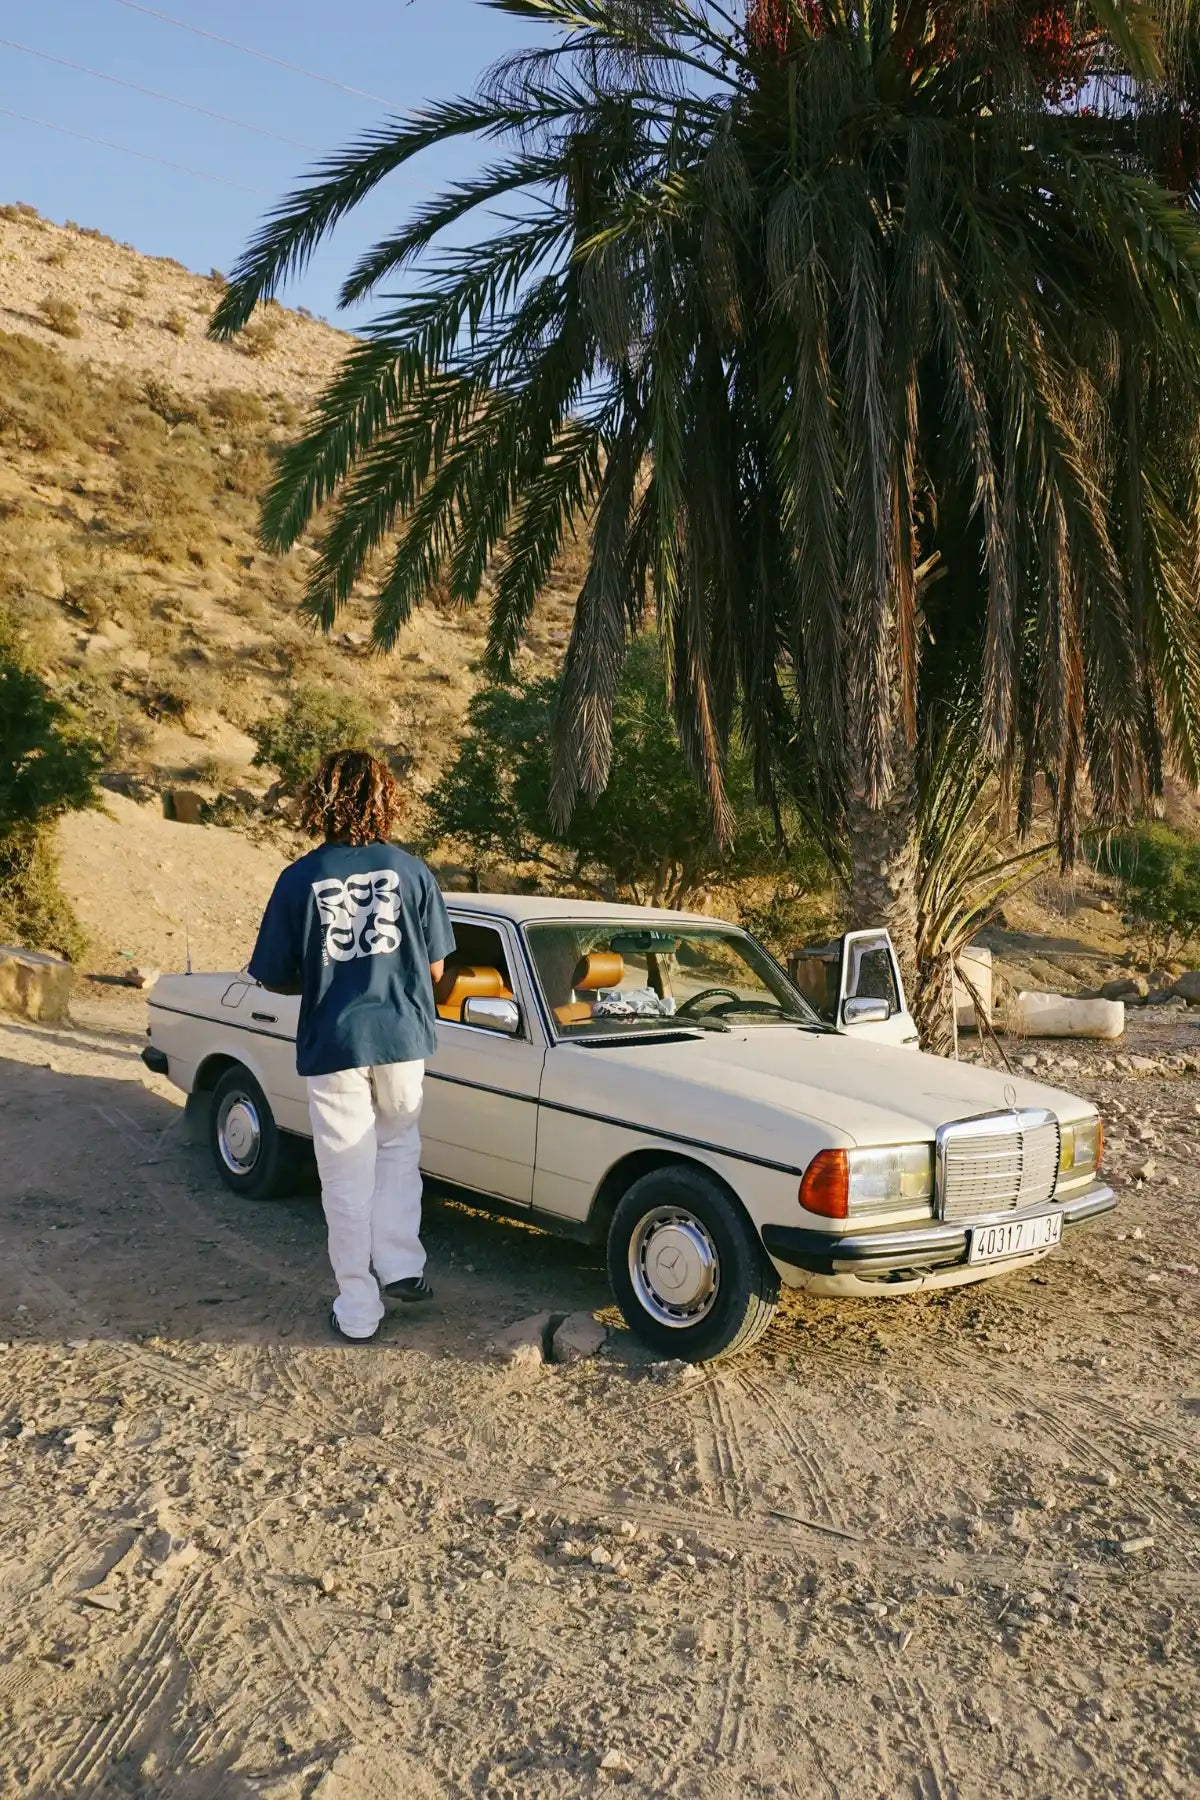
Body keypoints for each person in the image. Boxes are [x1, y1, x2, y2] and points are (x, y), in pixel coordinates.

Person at [248, 748, 455, 1343]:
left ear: (322, 801)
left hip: (334, 1041)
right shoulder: (413, 871)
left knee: (345, 1172)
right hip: (402, 1036)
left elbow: (273, 974)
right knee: (397, 1148)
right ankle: (402, 1265)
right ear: (387, 799)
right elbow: (437, 970)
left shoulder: (298, 878)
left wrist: (321, 974)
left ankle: (359, 1310)